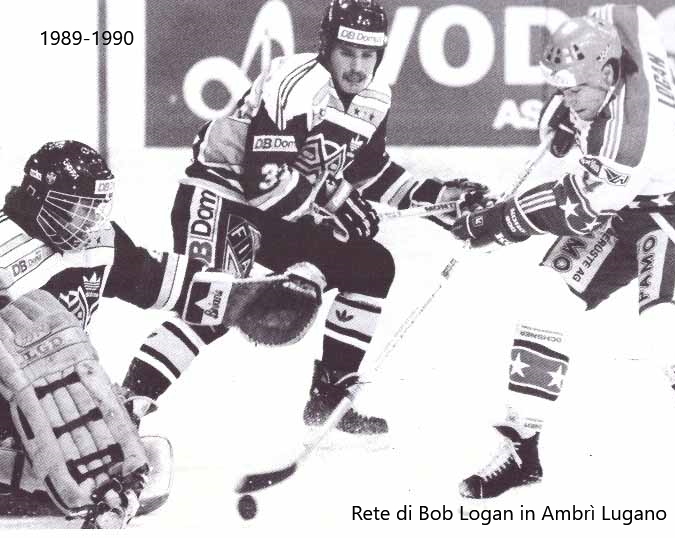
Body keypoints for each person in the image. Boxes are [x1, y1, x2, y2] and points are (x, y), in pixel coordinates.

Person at [121, 0, 488, 435]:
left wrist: (440, 199)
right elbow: (263, 183)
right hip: (220, 193)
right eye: (347, 53)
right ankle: (126, 408)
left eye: (367, 55)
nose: (357, 67)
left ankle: (329, 398)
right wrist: (336, 202)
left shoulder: (376, 96)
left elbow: (369, 172)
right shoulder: (295, 83)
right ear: (326, 47)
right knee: (212, 301)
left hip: (280, 207)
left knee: (371, 266)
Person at [451, 5, 675, 514]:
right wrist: (567, 108)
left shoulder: (628, 141)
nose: (568, 99)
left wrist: (495, 221)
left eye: (575, 92)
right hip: (629, 201)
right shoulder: (625, 36)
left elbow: (573, 207)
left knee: (665, 328)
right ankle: (522, 447)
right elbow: (620, 11)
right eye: (561, 89)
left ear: (609, 76)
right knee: (546, 296)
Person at [0, 140, 323, 526]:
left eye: (94, 207)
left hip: (40, 395)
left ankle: (27, 468)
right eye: (76, 207)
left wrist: (244, 295)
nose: (87, 221)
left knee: (143, 459)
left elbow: (152, 278)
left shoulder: (98, 240)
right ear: (38, 198)